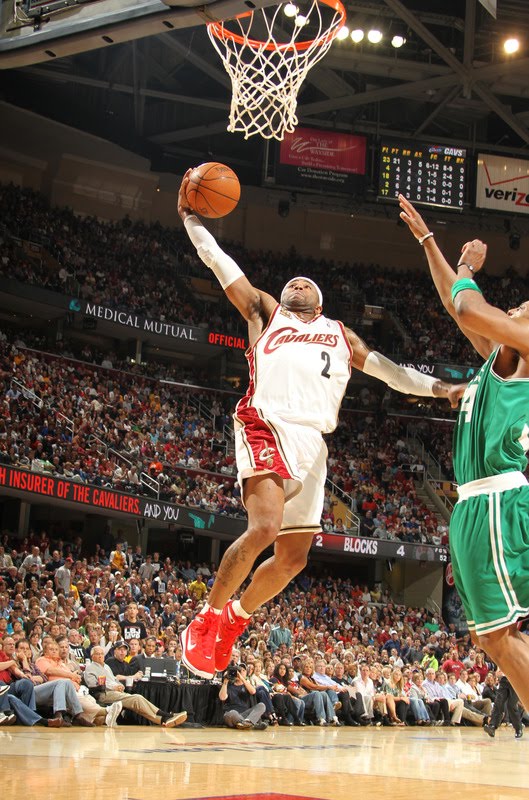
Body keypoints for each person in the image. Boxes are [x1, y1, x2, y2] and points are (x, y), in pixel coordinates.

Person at [177, 172, 463, 680]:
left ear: (322, 302)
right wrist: (191, 218)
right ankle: (206, 618)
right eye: (292, 282)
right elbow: (222, 264)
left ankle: (236, 621)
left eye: (307, 282)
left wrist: (441, 390)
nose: (298, 282)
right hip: (266, 420)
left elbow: (393, 374)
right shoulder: (265, 313)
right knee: (263, 526)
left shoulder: (339, 335)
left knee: (293, 559)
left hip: (314, 443)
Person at [399, 194, 529, 715]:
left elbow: (469, 305)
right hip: (476, 506)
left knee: (498, 636)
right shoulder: (500, 357)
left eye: (520, 306)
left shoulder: (527, 341)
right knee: (490, 638)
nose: (516, 307)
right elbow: (460, 314)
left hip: (496, 501)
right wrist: (431, 244)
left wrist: (469, 268)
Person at [84, 646, 186, 727]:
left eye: (102, 653)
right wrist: (112, 688)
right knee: (137, 698)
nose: (101, 656)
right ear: (92, 656)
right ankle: (167, 715)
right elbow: (92, 686)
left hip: (115, 692)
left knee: (137, 703)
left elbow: (114, 680)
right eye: (97, 654)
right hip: (103, 694)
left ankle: (163, 720)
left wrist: (119, 686)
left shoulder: (106, 666)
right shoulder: (90, 668)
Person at [219, 662, 268, 730]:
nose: (240, 672)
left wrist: (242, 678)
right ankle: (251, 724)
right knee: (233, 713)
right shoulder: (229, 685)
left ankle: (245, 723)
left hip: (245, 715)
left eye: (243, 670)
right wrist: (225, 681)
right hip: (232, 715)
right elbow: (222, 697)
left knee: (261, 705)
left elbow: (253, 691)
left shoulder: (247, 685)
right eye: (239, 670)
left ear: (246, 674)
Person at [484, 674, 523, 739]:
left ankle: (518, 729)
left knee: (511, 705)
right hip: (505, 679)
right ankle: (492, 726)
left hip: (516, 679)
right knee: (498, 702)